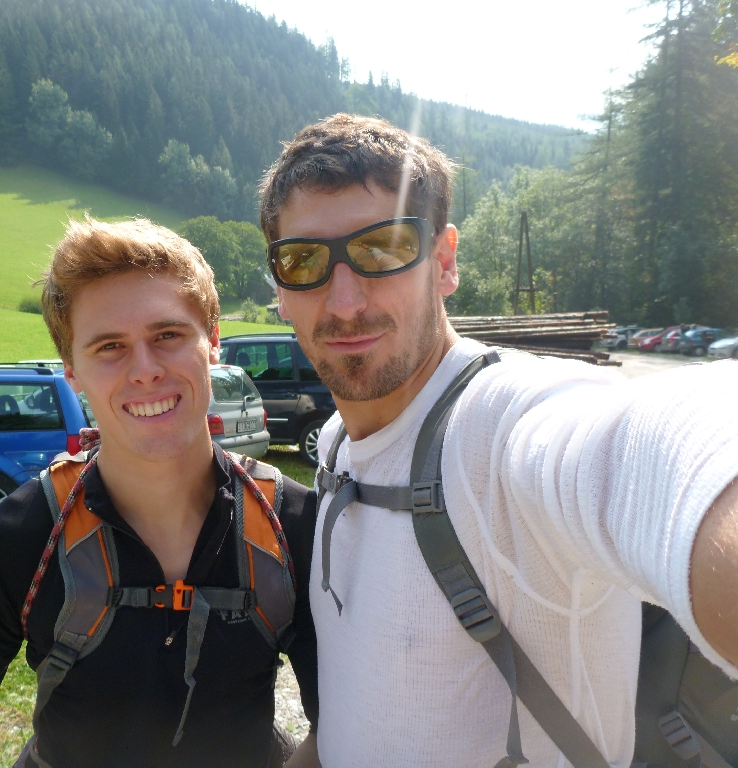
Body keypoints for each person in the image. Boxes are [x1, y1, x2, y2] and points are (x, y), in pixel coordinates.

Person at [261, 114, 738, 767]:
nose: (344, 302)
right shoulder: (338, 447)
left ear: (444, 262)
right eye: (304, 260)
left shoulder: (504, 425)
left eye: (384, 248)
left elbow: (665, 448)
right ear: (279, 289)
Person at [0, 217, 319, 768]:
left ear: (213, 342)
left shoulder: (296, 528)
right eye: (110, 347)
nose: (145, 370)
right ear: (71, 370)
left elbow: (341, 725)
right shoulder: (18, 539)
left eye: (167, 335)